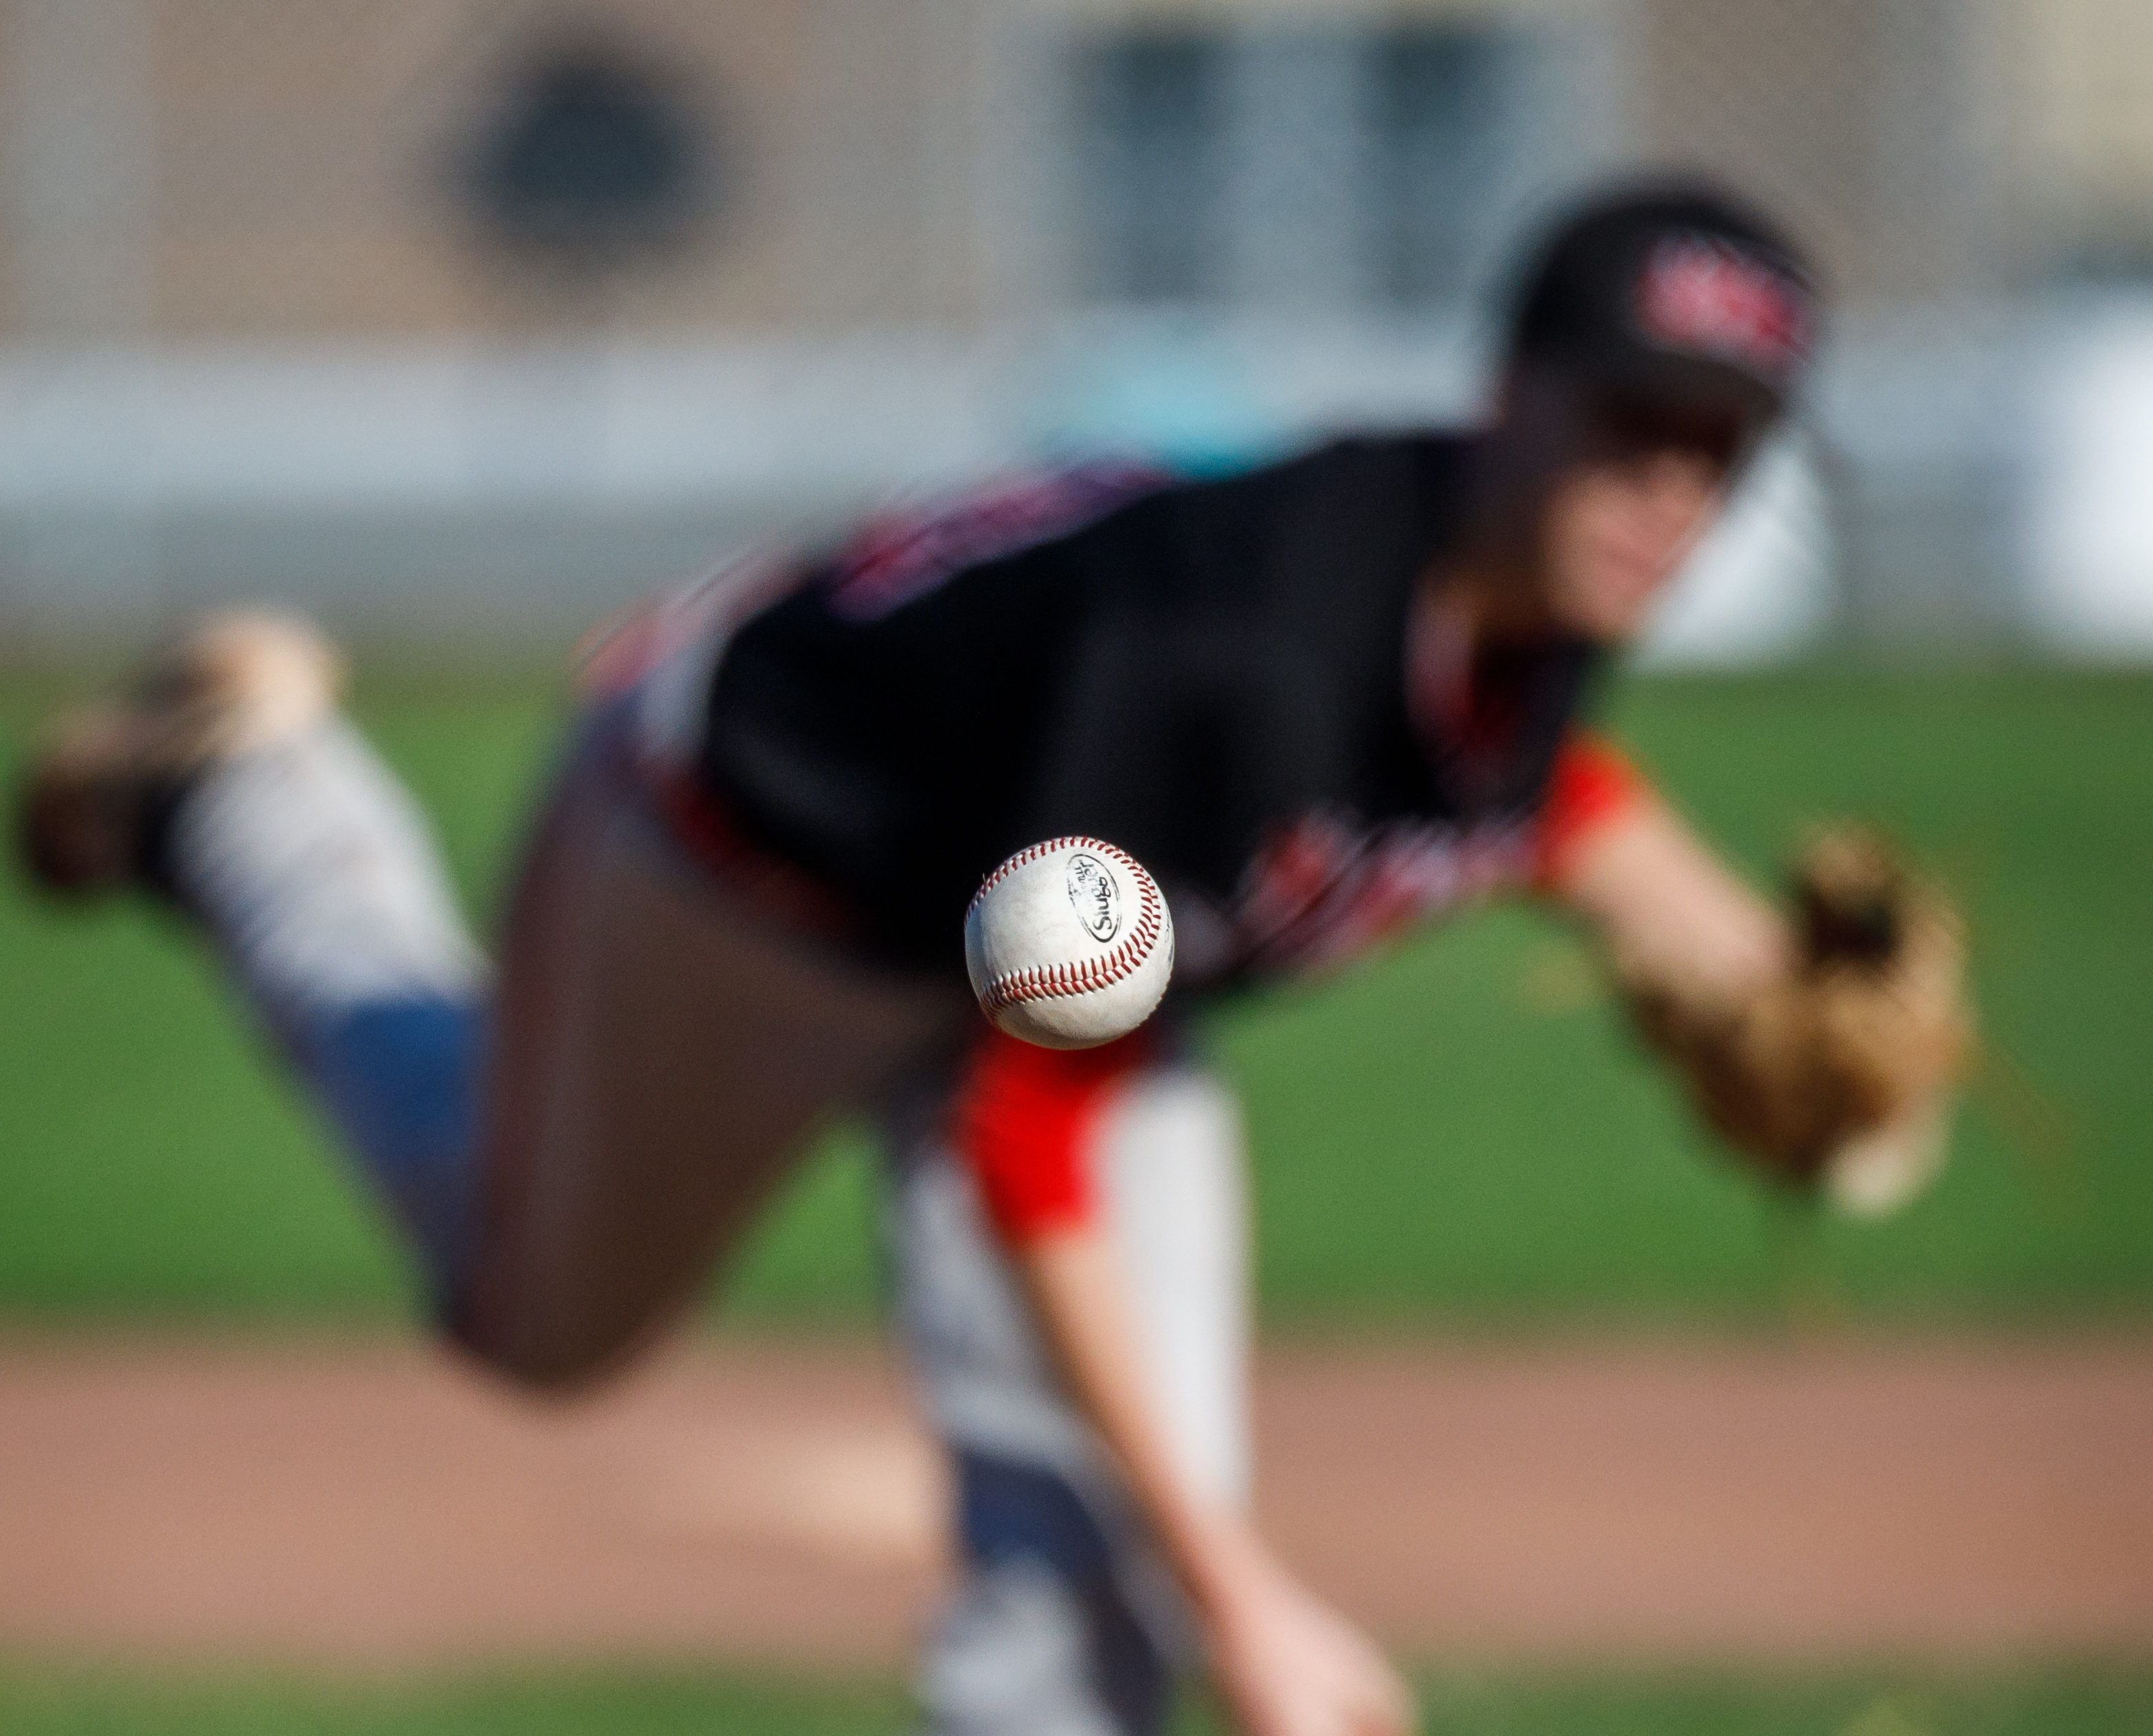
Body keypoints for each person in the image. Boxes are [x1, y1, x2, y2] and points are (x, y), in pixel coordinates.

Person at [15, 181, 1964, 1736]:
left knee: (1082, 1551)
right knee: (532, 1318)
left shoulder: (1523, 579)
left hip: (1040, 932)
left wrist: (1737, 956)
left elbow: (1520, 790)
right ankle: (250, 803)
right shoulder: (1235, 660)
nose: (1671, 497)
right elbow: (1036, 1137)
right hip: (740, 874)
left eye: (1724, 452)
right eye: (1635, 426)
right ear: (1512, 385)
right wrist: (1249, 1601)